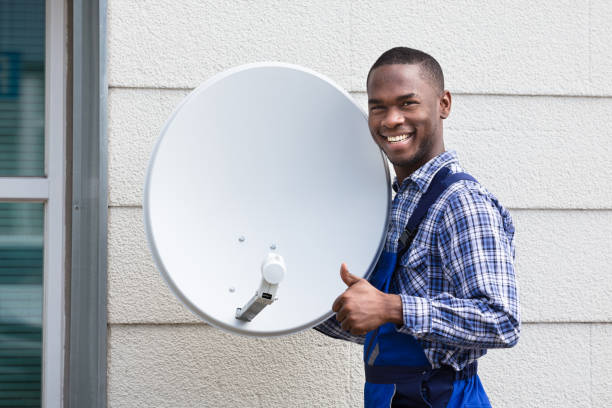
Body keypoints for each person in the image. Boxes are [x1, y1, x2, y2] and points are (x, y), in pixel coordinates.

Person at [314, 47, 520, 408]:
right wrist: (296, 305)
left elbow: (501, 321)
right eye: (378, 106)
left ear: (443, 104)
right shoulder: (397, 204)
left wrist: (393, 307)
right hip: (390, 396)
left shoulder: (461, 203)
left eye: (407, 104)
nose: (391, 119)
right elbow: (383, 328)